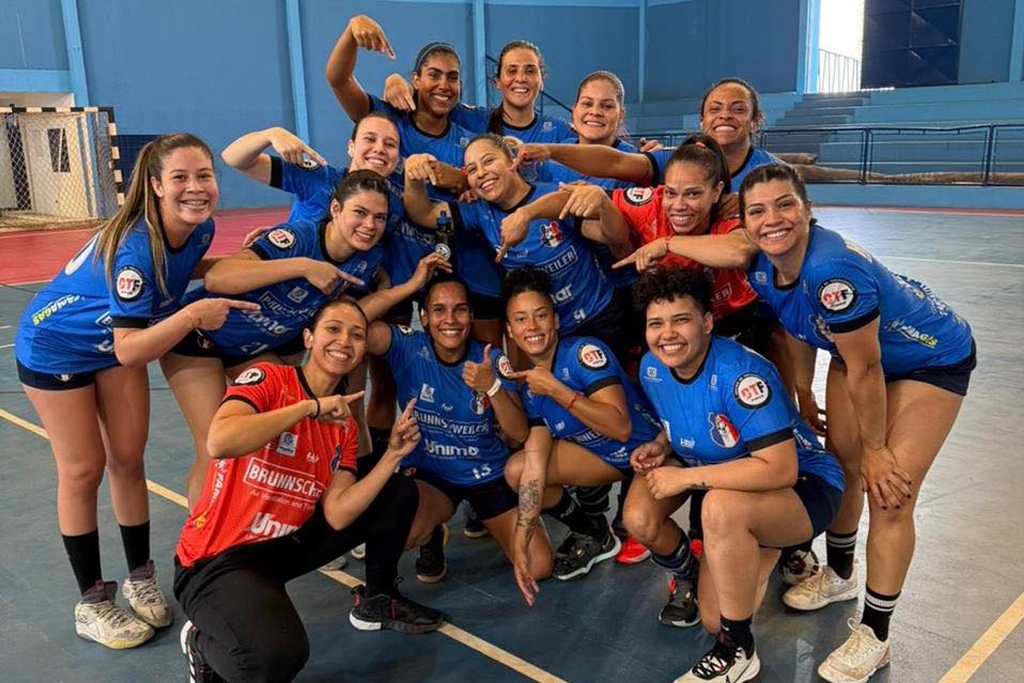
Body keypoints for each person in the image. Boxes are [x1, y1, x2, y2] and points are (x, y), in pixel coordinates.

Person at [14, 133, 257, 648]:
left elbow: (180, 273)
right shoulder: (134, 248)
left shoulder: (201, 229)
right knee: (83, 468)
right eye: (180, 178)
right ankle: (91, 602)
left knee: (128, 458)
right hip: (58, 347)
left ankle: (139, 575)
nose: (195, 187)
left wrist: (247, 262)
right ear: (155, 186)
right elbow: (131, 350)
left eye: (204, 176)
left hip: (114, 341)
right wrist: (193, 314)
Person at [736, 164, 975, 683]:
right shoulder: (763, 267)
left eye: (785, 204)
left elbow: (867, 368)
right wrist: (804, 389)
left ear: (808, 211)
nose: (773, 218)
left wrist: (878, 450)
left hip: (929, 359)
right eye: (758, 210)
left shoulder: (833, 272)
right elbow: (798, 325)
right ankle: (841, 574)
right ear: (745, 225)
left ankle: (876, 634)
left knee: (890, 492)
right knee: (843, 465)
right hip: (858, 353)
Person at [174, 297, 443, 683]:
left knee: (397, 491)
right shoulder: (268, 379)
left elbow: (338, 514)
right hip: (218, 559)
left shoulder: (344, 427)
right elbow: (219, 440)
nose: (344, 341)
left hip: (283, 546)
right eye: (333, 329)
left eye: (357, 335)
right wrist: (308, 408)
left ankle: (378, 599)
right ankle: (201, 643)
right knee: (276, 658)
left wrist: (391, 457)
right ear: (308, 337)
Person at [165, 171, 438, 506]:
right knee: (213, 446)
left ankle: (281, 514)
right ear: (335, 209)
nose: (369, 224)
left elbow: (353, 313)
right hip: (201, 336)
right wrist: (303, 267)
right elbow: (217, 278)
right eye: (360, 212)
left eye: (379, 217)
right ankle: (200, 534)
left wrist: (409, 286)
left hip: (253, 348)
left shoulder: (368, 258)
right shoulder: (297, 238)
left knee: (290, 419)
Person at [626, 267, 844, 683]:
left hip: (803, 485)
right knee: (641, 517)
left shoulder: (741, 375)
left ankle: (737, 650)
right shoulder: (653, 368)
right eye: (656, 324)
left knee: (720, 507)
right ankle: (719, 564)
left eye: (681, 320)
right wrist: (660, 444)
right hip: (728, 476)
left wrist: (686, 479)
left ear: (707, 322)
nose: (667, 334)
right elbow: (690, 416)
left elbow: (780, 468)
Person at [326, 14, 505, 346]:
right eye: (433, 75)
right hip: (397, 265)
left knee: (481, 354)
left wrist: (463, 181)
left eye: (453, 77)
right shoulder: (390, 122)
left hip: (463, 264)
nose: (444, 84)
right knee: (386, 358)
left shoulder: (470, 138)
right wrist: (352, 29)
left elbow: (499, 174)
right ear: (416, 79)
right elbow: (338, 79)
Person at [364, 274, 554, 583]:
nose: (450, 319)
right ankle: (431, 533)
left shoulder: (490, 359)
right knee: (400, 532)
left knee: (538, 567)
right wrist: (409, 287)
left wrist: (492, 386)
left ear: (472, 316)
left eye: (460, 309)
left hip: (487, 474)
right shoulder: (406, 346)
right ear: (424, 316)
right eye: (439, 310)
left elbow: (519, 433)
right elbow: (353, 322)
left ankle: (487, 513)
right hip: (432, 475)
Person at [501, 268, 664, 594]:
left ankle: (685, 573)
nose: (532, 326)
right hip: (604, 460)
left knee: (639, 521)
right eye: (521, 319)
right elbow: (534, 468)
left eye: (540, 315)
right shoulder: (532, 387)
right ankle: (593, 531)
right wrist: (521, 539)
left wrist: (556, 389)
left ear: (555, 321)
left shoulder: (583, 353)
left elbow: (620, 428)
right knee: (518, 470)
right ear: (510, 331)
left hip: (651, 453)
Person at [403, 133, 632, 353]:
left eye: (488, 161)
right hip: (546, 334)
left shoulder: (555, 196)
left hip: (598, 318)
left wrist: (602, 203)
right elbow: (423, 214)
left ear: (512, 161)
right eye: (472, 170)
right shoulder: (480, 211)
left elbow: (615, 236)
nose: (481, 173)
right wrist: (413, 177)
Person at [511, 77, 781, 208]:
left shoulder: (772, 172)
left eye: (738, 109)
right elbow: (616, 163)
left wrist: (750, 204)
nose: (725, 115)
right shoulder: (677, 160)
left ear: (755, 121)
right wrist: (548, 150)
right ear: (702, 121)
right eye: (715, 109)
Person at [382, 40, 573, 143]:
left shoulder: (561, 131)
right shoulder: (473, 119)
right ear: (498, 81)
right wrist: (395, 81)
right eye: (512, 70)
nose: (521, 78)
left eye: (530, 71)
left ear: (541, 81)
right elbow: (429, 99)